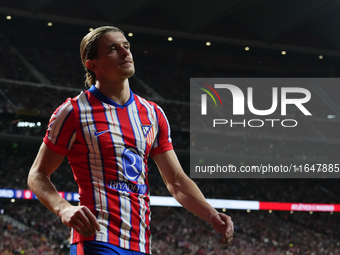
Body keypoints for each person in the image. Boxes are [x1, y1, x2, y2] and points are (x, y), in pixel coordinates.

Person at [27, 26, 233, 255]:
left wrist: (211, 214)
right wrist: (63, 208)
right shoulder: (73, 111)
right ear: (93, 65)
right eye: (113, 49)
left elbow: (176, 181)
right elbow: (37, 174)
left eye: (126, 46)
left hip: (140, 243)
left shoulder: (153, 114)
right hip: (96, 238)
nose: (125, 53)